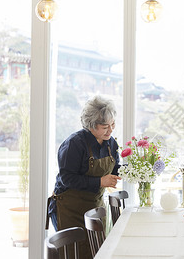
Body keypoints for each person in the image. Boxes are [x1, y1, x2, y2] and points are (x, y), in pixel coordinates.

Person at [46, 95, 121, 259]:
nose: (110, 130)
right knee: (75, 254)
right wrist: (101, 181)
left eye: (113, 124)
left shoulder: (110, 143)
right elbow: (67, 178)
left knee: (97, 252)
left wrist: (136, 170)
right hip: (69, 209)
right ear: (91, 125)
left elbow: (115, 169)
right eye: (105, 126)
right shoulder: (74, 143)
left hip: (94, 208)